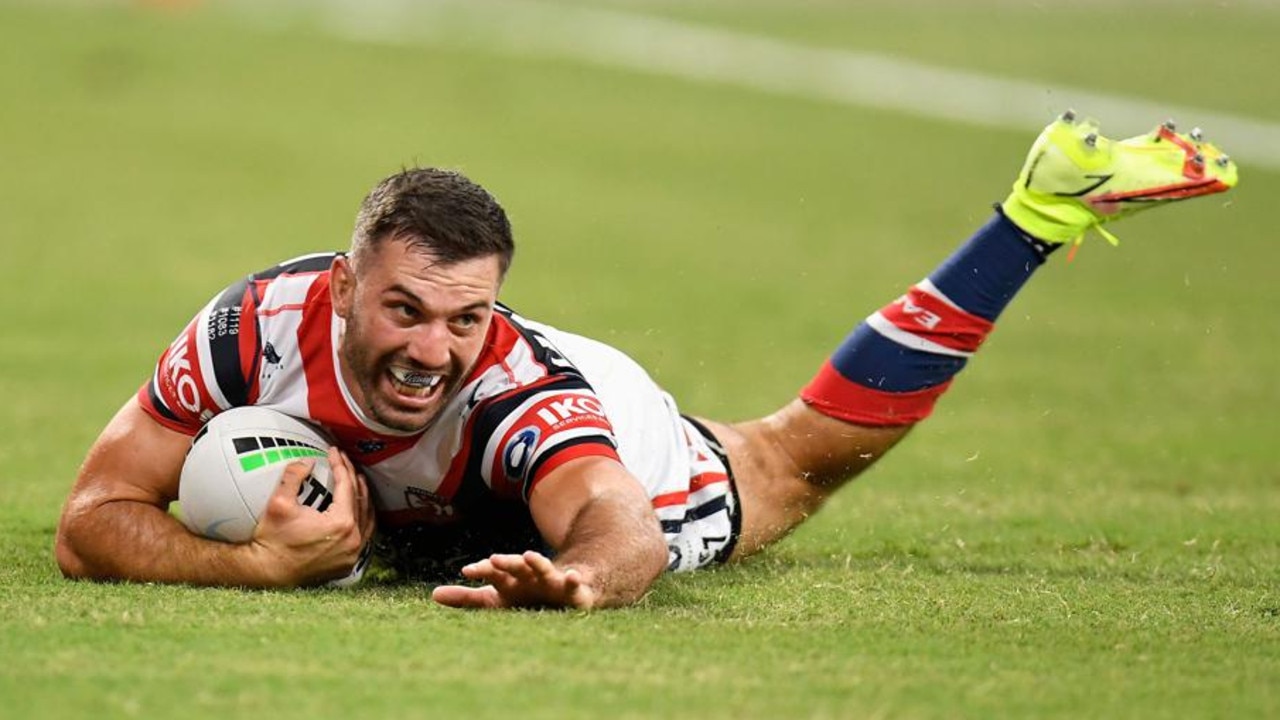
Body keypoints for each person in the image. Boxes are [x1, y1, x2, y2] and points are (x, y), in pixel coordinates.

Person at [55, 112, 1237, 609]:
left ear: (495, 311)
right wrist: (259, 567)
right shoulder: (252, 326)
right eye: (405, 312)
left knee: (789, 461)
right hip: (476, 468)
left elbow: (622, 529)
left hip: (619, 432)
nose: (429, 351)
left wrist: (581, 582)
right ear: (344, 285)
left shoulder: (517, 395)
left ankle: (1030, 219)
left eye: (464, 318)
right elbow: (89, 519)